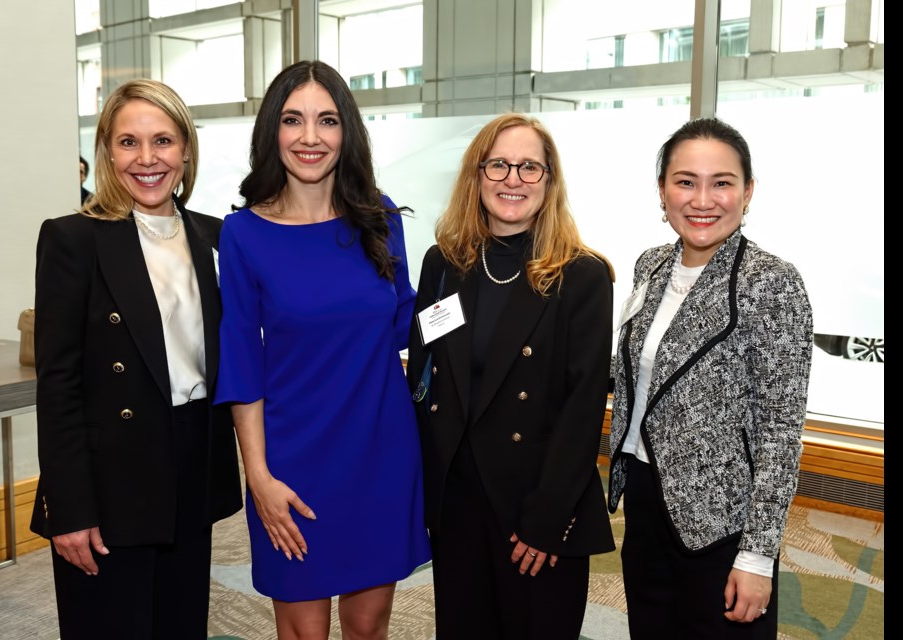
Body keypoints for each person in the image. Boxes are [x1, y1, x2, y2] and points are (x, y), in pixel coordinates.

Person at [214, 60, 430, 639]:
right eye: (293, 120)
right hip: (292, 460)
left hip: (381, 452)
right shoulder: (243, 234)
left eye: (327, 120)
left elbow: (407, 325)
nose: (311, 137)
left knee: (368, 626)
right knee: (304, 631)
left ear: (346, 131)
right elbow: (240, 361)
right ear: (272, 131)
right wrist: (257, 475)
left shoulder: (380, 220)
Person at [29, 79, 243, 639]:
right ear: (106, 151)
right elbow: (57, 386)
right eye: (128, 142)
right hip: (109, 478)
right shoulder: (73, 239)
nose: (147, 159)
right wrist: (68, 507)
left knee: (180, 625)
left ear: (186, 149)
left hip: (191, 463)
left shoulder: (215, 238)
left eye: (163, 141)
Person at [406, 113, 616, 640]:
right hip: (457, 502)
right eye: (498, 164)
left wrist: (546, 519)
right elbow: (425, 379)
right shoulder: (444, 263)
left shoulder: (582, 275)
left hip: (537, 505)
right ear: (476, 176)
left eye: (529, 167)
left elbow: (582, 408)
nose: (512, 179)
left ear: (549, 180)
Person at [607, 117, 813, 638]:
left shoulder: (772, 282)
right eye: (685, 182)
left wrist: (759, 555)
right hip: (648, 500)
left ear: (747, 193)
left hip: (722, 519)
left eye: (721, 182)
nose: (703, 199)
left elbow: (779, 430)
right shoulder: (650, 267)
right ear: (662, 191)